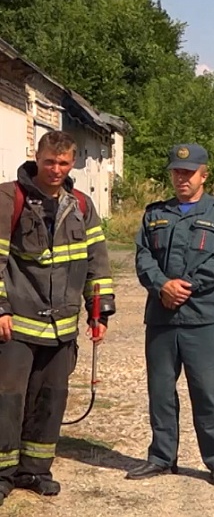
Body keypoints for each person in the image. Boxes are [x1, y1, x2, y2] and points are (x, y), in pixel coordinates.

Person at [0, 131, 114, 504]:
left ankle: (35, 470)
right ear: (38, 156)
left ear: (73, 162)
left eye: (63, 163)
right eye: (50, 161)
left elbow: (97, 260)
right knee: (8, 399)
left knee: (51, 398)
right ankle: (2, 473)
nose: (56, 170)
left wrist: (101, 311)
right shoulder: (8, 198)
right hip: (17, 323)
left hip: (62, 326)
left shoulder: (80, 204)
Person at [126, 143, 214, 487]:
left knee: (208, 392)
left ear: (204, 175)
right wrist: (162, 285)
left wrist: (183, 286)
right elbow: (143, 256)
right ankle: (161, 457)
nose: (181, 178)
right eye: (176, 172)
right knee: (160, 391)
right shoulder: (154, 213)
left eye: (188, 173)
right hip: (161, 317)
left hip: (202, 318)